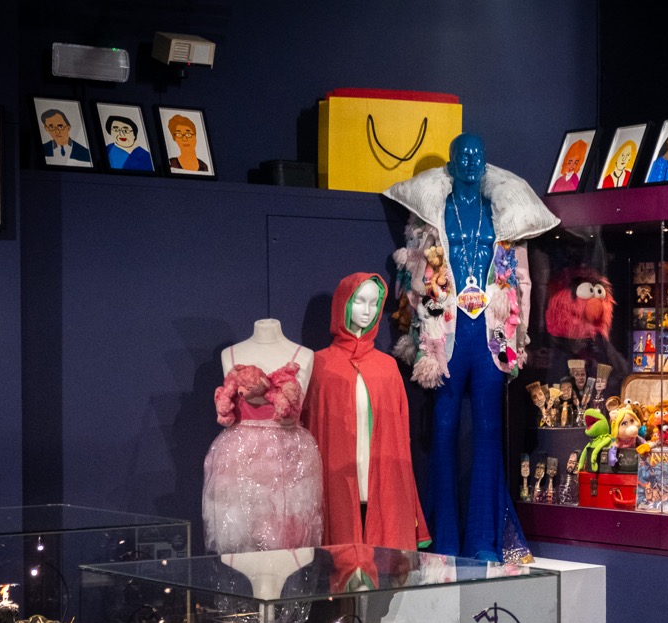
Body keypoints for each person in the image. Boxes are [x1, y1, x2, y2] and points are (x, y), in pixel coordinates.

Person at [384, 132, 558, 561]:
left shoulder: (500, 217)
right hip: (447, 333)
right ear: (452, 162)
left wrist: (520, 336)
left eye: (477, 156)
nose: (470, 162)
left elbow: (522, 278)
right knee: (441, 431)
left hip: (489, 337)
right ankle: (442, 540)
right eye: (462, 156)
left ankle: (484, 541)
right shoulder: (432, 216)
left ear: (484, 165)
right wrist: (414, 329)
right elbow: (411, 274)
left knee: (488, 435)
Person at [302, 272, 430, 551]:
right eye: (359, 301)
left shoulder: (387, 368)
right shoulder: (319, 366)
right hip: (335, 483)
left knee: (381, 575)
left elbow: (401, 442)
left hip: (381, 483)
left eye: (374, 303)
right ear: (343, 304)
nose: (368, 310)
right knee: (338, 576)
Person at [201, 318, 323, 553]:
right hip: (239, 455)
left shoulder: (303, 355)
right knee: (241, 532)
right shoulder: (231, 355)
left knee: (288, 528)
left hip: (288, 453)